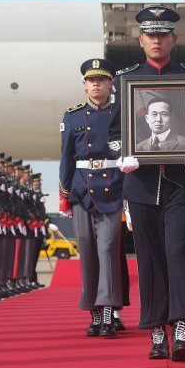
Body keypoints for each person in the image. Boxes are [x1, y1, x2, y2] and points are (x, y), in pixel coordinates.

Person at [107, 5, 185, 361]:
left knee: (177, 254)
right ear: (140, 40)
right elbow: (113, 133)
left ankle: (181, 328)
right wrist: (123, 154)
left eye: (162, 35)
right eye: (150, 35)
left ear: (174, 39)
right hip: (140, 185)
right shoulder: (125, 81)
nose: (156, 40)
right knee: (149, 259)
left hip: (181, 184)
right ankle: (156, 332)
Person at [59, 58, 124, 338]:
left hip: (113, 187)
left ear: (111, 84)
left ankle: (109, 311)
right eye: (91, 80)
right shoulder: (72, 116)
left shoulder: (122, 114)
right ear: (84, 86)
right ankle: (94, 314)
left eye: (101, 80)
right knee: (86, 251)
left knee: (108, 250)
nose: (96, 84)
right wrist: (64, 194)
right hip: (81, 189)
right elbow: (66, 158)